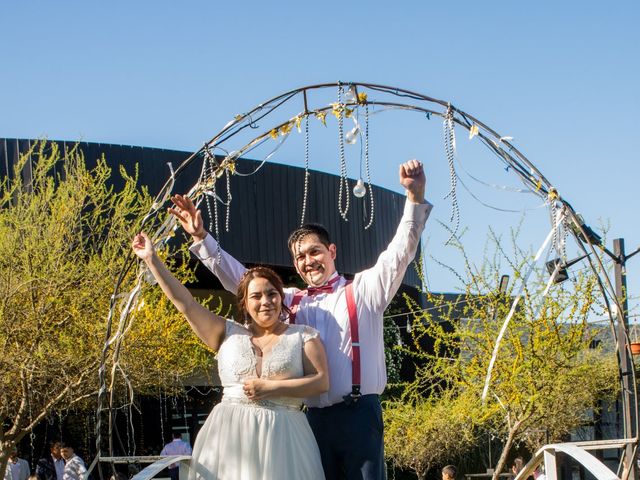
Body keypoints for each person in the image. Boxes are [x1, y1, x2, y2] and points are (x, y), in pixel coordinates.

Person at [169, 159, 431, 479]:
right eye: (301, 257)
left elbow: (399, 252)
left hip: (359, 414)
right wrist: (201, 238)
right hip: (312, 419)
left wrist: (414, 199)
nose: (309, 261)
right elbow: (240, 279)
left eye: (315, 251)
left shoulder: (364, 290)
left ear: (332, 251)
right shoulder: (290, 300)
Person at [132, 234, 328, 480]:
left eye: (272, 294)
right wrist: (152, 259)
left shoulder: (304, 335)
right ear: (245, 303)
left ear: (281, 298)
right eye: (256, 296)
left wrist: (272, 387)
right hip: (229, 438)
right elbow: (184, 302)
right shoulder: (226, 332)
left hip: (285, 439)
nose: (266, 301)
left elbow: (321, 382)